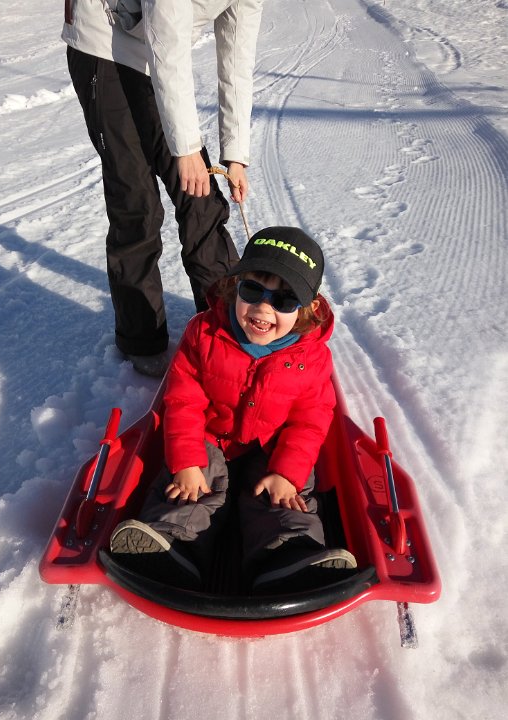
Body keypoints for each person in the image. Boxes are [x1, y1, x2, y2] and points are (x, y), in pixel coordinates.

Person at [110, 226, 357, 592]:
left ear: (308, 309)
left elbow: (311, 419)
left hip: (271, 444)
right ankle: (173, 546)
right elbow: (183, 400)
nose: (263, 308)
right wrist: (186, 461)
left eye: (284, 300)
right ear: (234, 286)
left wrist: (287, 472)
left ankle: (289, 556)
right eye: (253, 290)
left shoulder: (312, 358)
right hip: (211, 437)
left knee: (288, 495)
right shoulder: (205, 334)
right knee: (190, 485)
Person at [62, 1, 264, 375]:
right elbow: (166, 37)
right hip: (104, 42)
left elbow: (237, 59)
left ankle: (223, 323)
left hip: (156, 49)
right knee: (135, 200)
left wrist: (236, 154)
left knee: (200, 200)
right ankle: (141, 339)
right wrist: (185, 150)